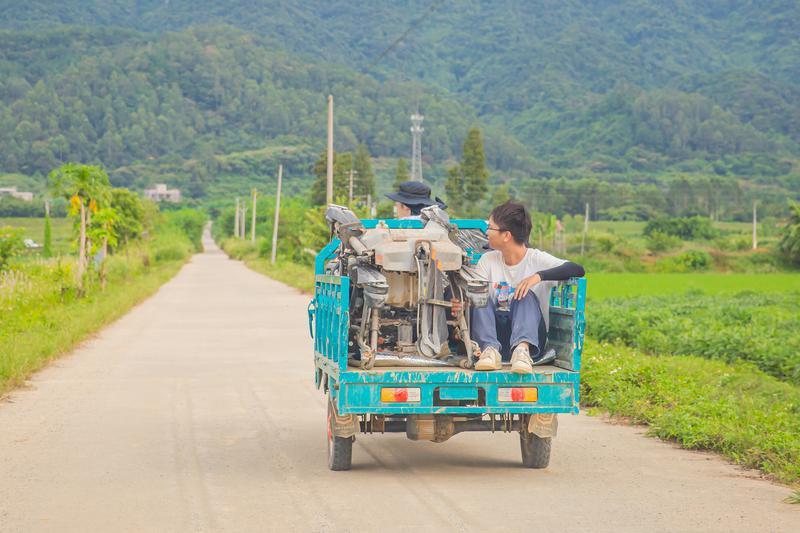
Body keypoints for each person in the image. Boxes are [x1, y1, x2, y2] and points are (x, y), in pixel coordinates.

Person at [453, 201, 584, 374]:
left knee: (524, 294)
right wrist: (464, 306)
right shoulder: (488, 260)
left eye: (490, 228)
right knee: (480, 295)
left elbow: (577, 269)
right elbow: (476, 300)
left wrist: (537, 277)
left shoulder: (537, 259)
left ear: (506, 235)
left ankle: (521, 351)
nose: (487, 233)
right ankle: (490, 350)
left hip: (531, 339)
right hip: (493, 336)